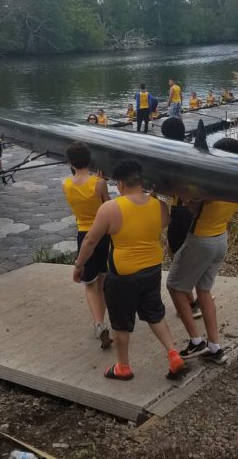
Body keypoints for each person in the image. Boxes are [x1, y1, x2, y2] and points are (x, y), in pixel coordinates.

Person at [74, 159, 186, 381]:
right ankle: (173, 354)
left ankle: (123, 367)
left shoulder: (111, 208)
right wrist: (151, 200)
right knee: (155, 314)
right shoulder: (160, 206)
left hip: (123, 275)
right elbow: (161, 224)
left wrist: (79, 265)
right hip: (152, 269)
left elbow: (89, 241)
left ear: (121, 184)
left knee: (120, 323)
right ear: (140, 182)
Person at [166, 137, 238, 365]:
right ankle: (214, 346)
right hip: (221, 237)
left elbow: (191, 202)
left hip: (201, 239)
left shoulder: (213, 183)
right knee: (204, 291)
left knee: (175, 286)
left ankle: (196, 341)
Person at [62, 142, 113, 350]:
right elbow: (108, 206)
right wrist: (101, 181)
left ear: (70, 162)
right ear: (89, 160)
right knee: (102, 278)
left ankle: (99, 324)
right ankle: (110, 318)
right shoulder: (99, 183)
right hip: (103, 234)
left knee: (90, 284)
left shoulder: (65, 184)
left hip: (85, 234)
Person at [160, 117, 202, 320]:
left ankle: (192, 305)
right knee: (182, 256)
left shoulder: (172, 153)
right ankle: (193, 300)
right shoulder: (190, 150)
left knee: (177, 259)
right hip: (193, 212)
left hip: (181, 212)